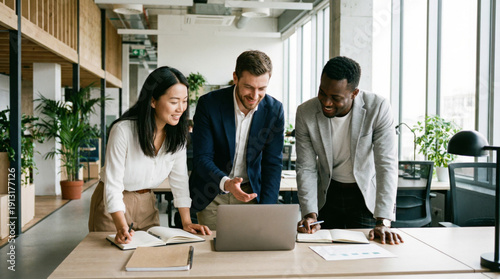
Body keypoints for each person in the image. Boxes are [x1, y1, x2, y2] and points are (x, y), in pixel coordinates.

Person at [88, 66, 211, 244]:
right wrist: (121, 225)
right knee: (110, 263)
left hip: (147, 203)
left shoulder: (177, 136)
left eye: (184, 101)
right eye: (174, 101)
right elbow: (113, 184)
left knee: (148, 262)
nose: (181, 108)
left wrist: (186, 222)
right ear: (153, 101)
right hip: (113, 205)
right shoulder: (123, 131)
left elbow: (180, 181)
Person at [295, 56, 403, 245]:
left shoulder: (378, 108)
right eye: (322, 92)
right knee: (320, 258)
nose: (326, 102)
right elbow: (306, 167)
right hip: (327, 195)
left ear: (354, 93)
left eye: (336, 98)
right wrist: (310, 213)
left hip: (363, 196)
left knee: (365, 260)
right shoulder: (306, 112)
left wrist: (384, 220)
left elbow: (386, 165)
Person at [189, 50, 285, 230]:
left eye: (262, 89)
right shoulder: (209, 104)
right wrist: (227, 183)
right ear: (235, 78)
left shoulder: (274, 110)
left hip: (251, 193)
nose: (255, 96)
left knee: (251, 253)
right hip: (213, 194)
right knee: (212, 253)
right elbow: (202, 158)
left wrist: (268, 209)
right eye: (249, 87)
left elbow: (272, 163)